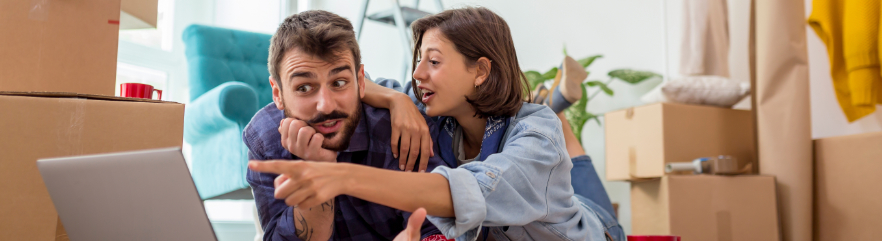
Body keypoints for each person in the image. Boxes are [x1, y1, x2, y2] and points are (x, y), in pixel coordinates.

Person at [249, 7, 625, 241]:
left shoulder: (535, 136)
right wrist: (394, 98)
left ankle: (556, 110)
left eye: (432, 62)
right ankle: (554, 101)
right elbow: (369, 87)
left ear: (480, 70)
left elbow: (469, 191)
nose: (416, 74)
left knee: (561, 146)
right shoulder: (425, 113)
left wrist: (339, 177)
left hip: (579, 230)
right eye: (418, 61)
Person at [244, 10, 450, 241]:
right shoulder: (265, 139)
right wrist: (318, 167)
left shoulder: (398, 129)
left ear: (361, 81)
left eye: (339, 82)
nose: (325, 105)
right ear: (278, 93)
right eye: (304, 88)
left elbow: (436, 229)